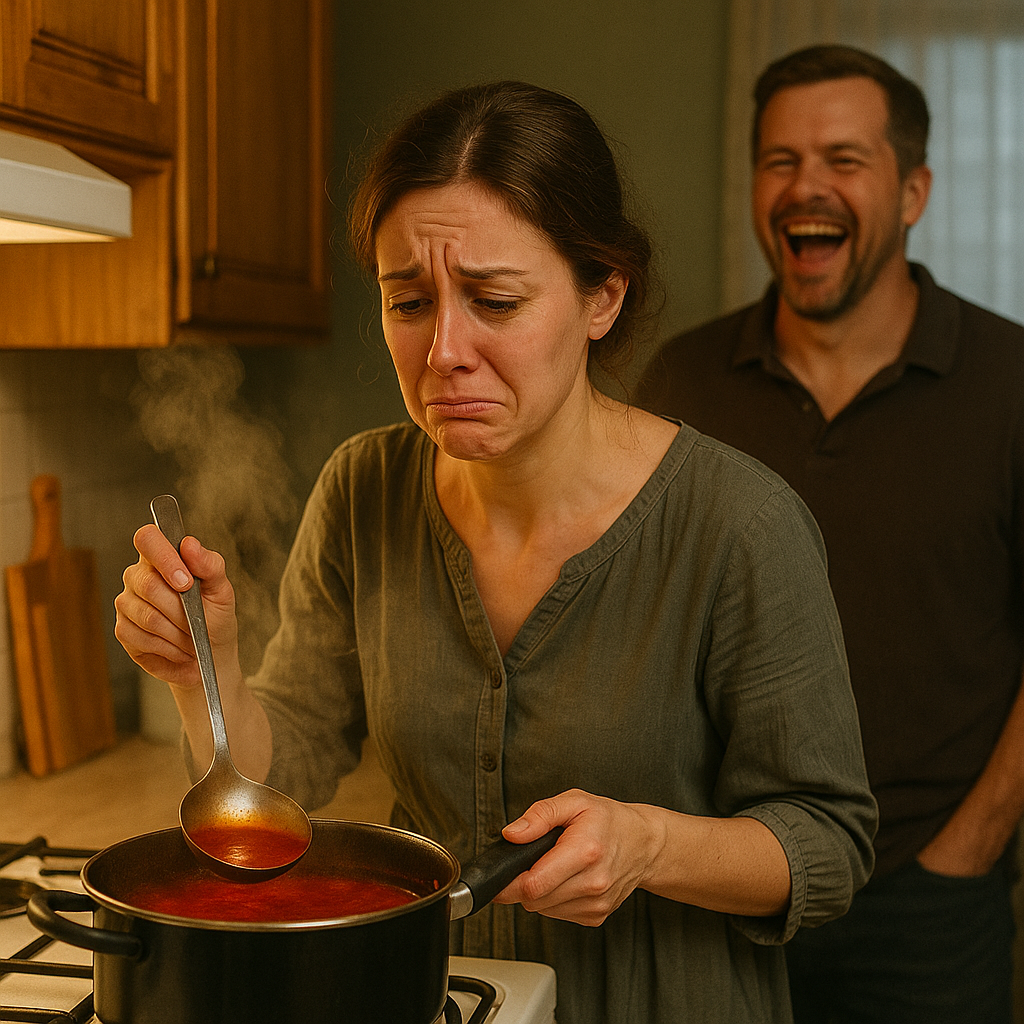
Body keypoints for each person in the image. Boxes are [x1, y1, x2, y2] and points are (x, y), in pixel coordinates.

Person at [115, 80, 876, 1024]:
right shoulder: (363, 488)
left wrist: (647, 844)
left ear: (602, 297)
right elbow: (281, 784)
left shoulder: (740, 525)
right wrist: (205, 671)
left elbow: (829, 844)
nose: (444, 350)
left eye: (495, 300)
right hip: (441, 997)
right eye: (408, 301)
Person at [638, 44, 1024, 1024]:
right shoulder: (681, 383)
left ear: (913, 191)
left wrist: (968, 848)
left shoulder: (1011, 381)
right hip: (720, 890)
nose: (805, 185)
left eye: (843, 159)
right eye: (780, 160)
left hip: (927, 904)